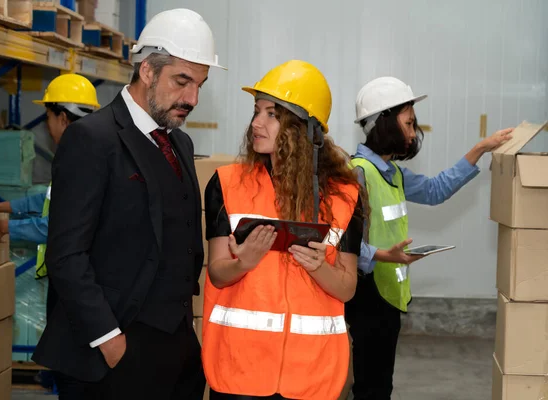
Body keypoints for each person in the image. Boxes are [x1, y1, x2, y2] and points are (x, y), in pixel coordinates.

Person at [31, 8, 225, 400]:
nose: (192, 98)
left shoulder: (179, 143)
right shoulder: (92, 140)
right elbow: (66, 255)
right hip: (111, 356)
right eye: (182, 81)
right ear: (148, 71)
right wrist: (110, 342)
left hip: (174, 349)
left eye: (200, 84)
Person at [202, 60, 365, 400]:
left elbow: (347, 288)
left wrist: (318, 266)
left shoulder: (345, 196)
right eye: (256, 111)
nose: (256, 123)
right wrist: (242, 263)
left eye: (272, 114)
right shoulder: (227, 184)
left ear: (305, 130)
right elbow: (217, 274)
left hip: (312, 376)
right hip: (240, 372)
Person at [343, 76, 514, 400]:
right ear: (386, 124)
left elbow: (436, 190)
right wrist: (381, 255)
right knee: (370, 386)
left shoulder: (392, 173)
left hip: (389, 296)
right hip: (368, 296)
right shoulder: (358, 172)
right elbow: (342, 241)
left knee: (379, 384)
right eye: (408, 124)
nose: (412, 133)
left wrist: (480, 148)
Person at [0, 73, 100, 398]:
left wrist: (9, 226)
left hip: (77, 284)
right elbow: (47, 200)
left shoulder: (82, 161)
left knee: (74, 371)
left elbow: (59, 226)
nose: (47, 126)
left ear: (62, 117)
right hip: (70, 283)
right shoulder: (83, 153)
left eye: (48, 116)